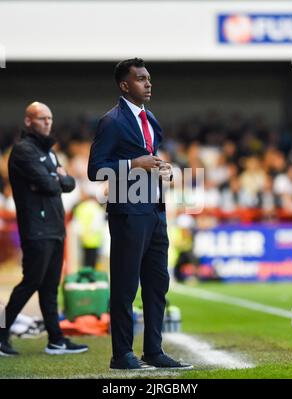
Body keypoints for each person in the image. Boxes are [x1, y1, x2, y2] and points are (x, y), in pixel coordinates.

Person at [88, 58, 192, 370]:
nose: (148, 83)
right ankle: (121, 354)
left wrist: (162, 168)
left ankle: (154, 351)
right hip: (127, 211)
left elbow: (149, 156)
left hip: (155, 210)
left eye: (148, 78)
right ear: (124, 85)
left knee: (158, 283)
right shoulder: (112, 121)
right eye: (141, 79)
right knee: (125, 285)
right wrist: (135, 165)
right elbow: (96, 170)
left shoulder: (150, 119)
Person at [0, 102, 88, 356]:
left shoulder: (48, 153)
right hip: (36, 228)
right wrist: (56, 178)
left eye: (49, 118)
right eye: (41, 118)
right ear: (28, 121)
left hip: (55, 226)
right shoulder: (23, 151)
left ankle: (56, 339)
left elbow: (69, 183)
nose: (47, 122)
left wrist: (57, 178)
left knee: (50, 287)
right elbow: (50, 184)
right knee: (31, 282)